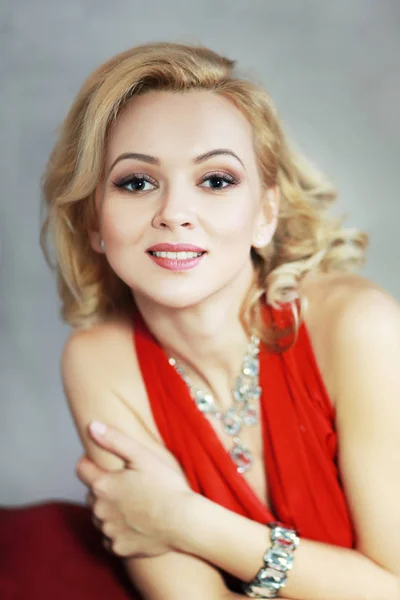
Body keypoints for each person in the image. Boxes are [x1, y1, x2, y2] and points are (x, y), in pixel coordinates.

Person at [40, 41, 400, 600]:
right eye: (136, 182)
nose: (174, 213)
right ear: (94, 221)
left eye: (216, 180)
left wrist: (184, 520)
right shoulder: (99, 360)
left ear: (265, 213)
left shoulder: (360, 327)